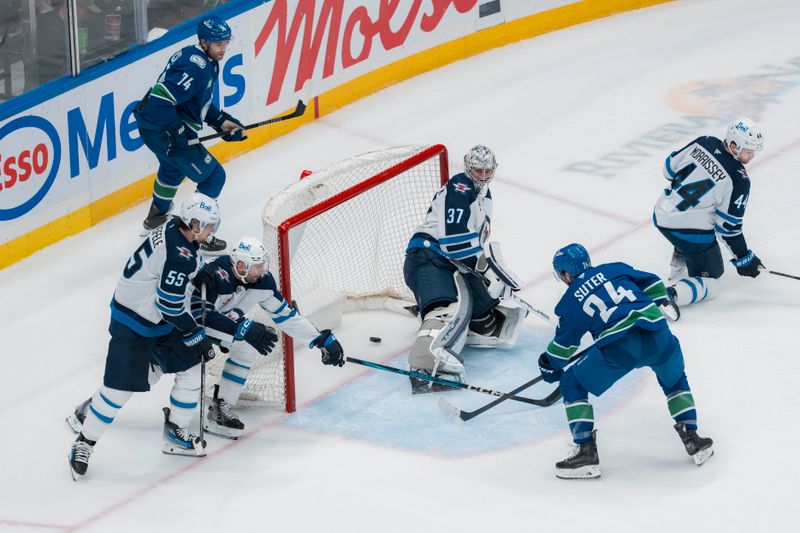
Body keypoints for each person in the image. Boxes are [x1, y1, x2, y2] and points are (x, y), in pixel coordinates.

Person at [66, 193, 223, 481]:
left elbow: (173, 272)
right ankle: (84, 441)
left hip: (154, 317)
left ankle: (176, 432)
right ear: (194, 222)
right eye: (209, 226)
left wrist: (199, 271)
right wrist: (193, 333)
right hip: (134, 323)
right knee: (118, 391)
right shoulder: (180, 255)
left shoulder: (174, 229)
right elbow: (170, 304)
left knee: (188, 367)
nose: (212, 232)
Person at [538, 243, 714, 479]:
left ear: (566, 274)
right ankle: (693, 439)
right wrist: (661, 301)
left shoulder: (570, 300)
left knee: (572, 383)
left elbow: (563, 349)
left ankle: (586, 451)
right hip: (659, 336)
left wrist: (548, 364)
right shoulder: (615, 268)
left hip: (622, 349)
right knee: (674, 380)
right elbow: (651, 281)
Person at [190, 236, 346, 439]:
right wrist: (242, 327)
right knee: (154, 370)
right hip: (186, 326)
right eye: (257, 266)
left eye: (263, 265)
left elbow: (285, 316)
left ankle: (222, 406)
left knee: (246, 347)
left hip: (222, 326)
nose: (262, 270)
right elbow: (199, 318)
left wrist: (319, 340)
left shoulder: (262, 282)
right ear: (240, 265)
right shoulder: (216, 275)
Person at [403, 145, 527, 391]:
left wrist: (492, 274)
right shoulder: (460, 187)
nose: (482, 175)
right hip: (429, 258)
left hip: (450, 263)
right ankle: (424, 367)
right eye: (477, 169)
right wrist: (485, 272)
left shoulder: (485, 196)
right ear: (467, 167)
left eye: (487, 170)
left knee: (486, 317)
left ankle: (450, 326)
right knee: (445, 311)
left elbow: (476, 245)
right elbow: (453, 242)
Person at [134, 15, 247, 253]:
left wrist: (220, 121)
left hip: (155, 126)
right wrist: (176, 133)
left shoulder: (207, 60)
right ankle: (195, 234)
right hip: (161, 126)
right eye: (218, 44)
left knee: (172, 168)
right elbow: (159, 99)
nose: (224, 48)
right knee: (213, 177)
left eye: (226, 42)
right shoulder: (196, 66)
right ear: (204, 42)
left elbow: (195, 102)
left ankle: (156, 216)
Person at [653, 117, 765, 312]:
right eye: (749, 151)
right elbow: (728, 229)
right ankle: (670, 295)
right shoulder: (738, 179)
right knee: (713, 281)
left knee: (695, 215)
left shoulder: (705, 141)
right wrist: (744, 258)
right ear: (733, 145)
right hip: (684, 230)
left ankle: (679, 263)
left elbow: (668, 169)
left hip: (661, 211)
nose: (753, 155)